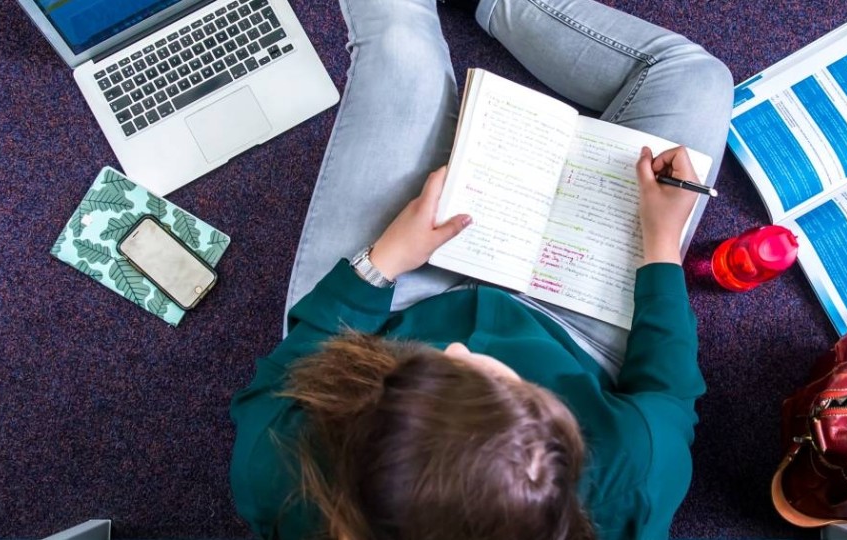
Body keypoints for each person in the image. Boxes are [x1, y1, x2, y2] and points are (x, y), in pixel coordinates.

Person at [230, 0, 731, 536]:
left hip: (381, 317)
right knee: (696, 80)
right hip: (578, 336)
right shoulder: (633, 479)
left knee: (401, 42)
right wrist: (660, 241)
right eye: (514, 387)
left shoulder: (280, 471)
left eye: (429, 374)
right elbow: (669, 391)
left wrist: (382, 263)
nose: (462, 347)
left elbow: (282, 382)